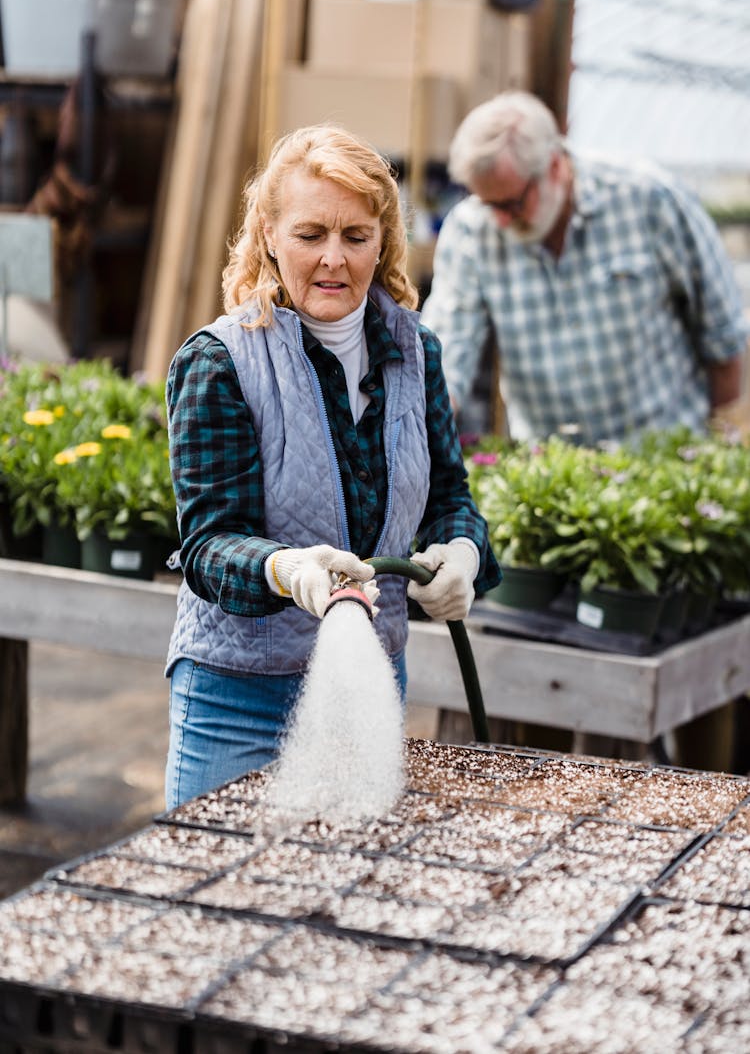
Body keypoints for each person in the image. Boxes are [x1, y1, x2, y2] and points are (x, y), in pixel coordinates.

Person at [163, 123, 501, 808]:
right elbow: (207, 542)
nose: (333, 260)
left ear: (384, 240)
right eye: (310, 234)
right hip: (240, 697)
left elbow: (447, 496)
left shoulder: (417, 352)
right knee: (221, 899)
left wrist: (462, 549)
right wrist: (287, 570)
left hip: (368, 685)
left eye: (355, 236)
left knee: (339, 895)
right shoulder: (220, 361)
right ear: (268, 235)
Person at [421, 90, 748, 446]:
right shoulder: (471, 230)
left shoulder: (648, 199)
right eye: (488, 204)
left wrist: (720, 450)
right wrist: (424, 423)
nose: (500, 221)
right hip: (554, 467)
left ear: (556, 167)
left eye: (513, 204)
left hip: (664, 460)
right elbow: (447, 350)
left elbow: (723, 336)